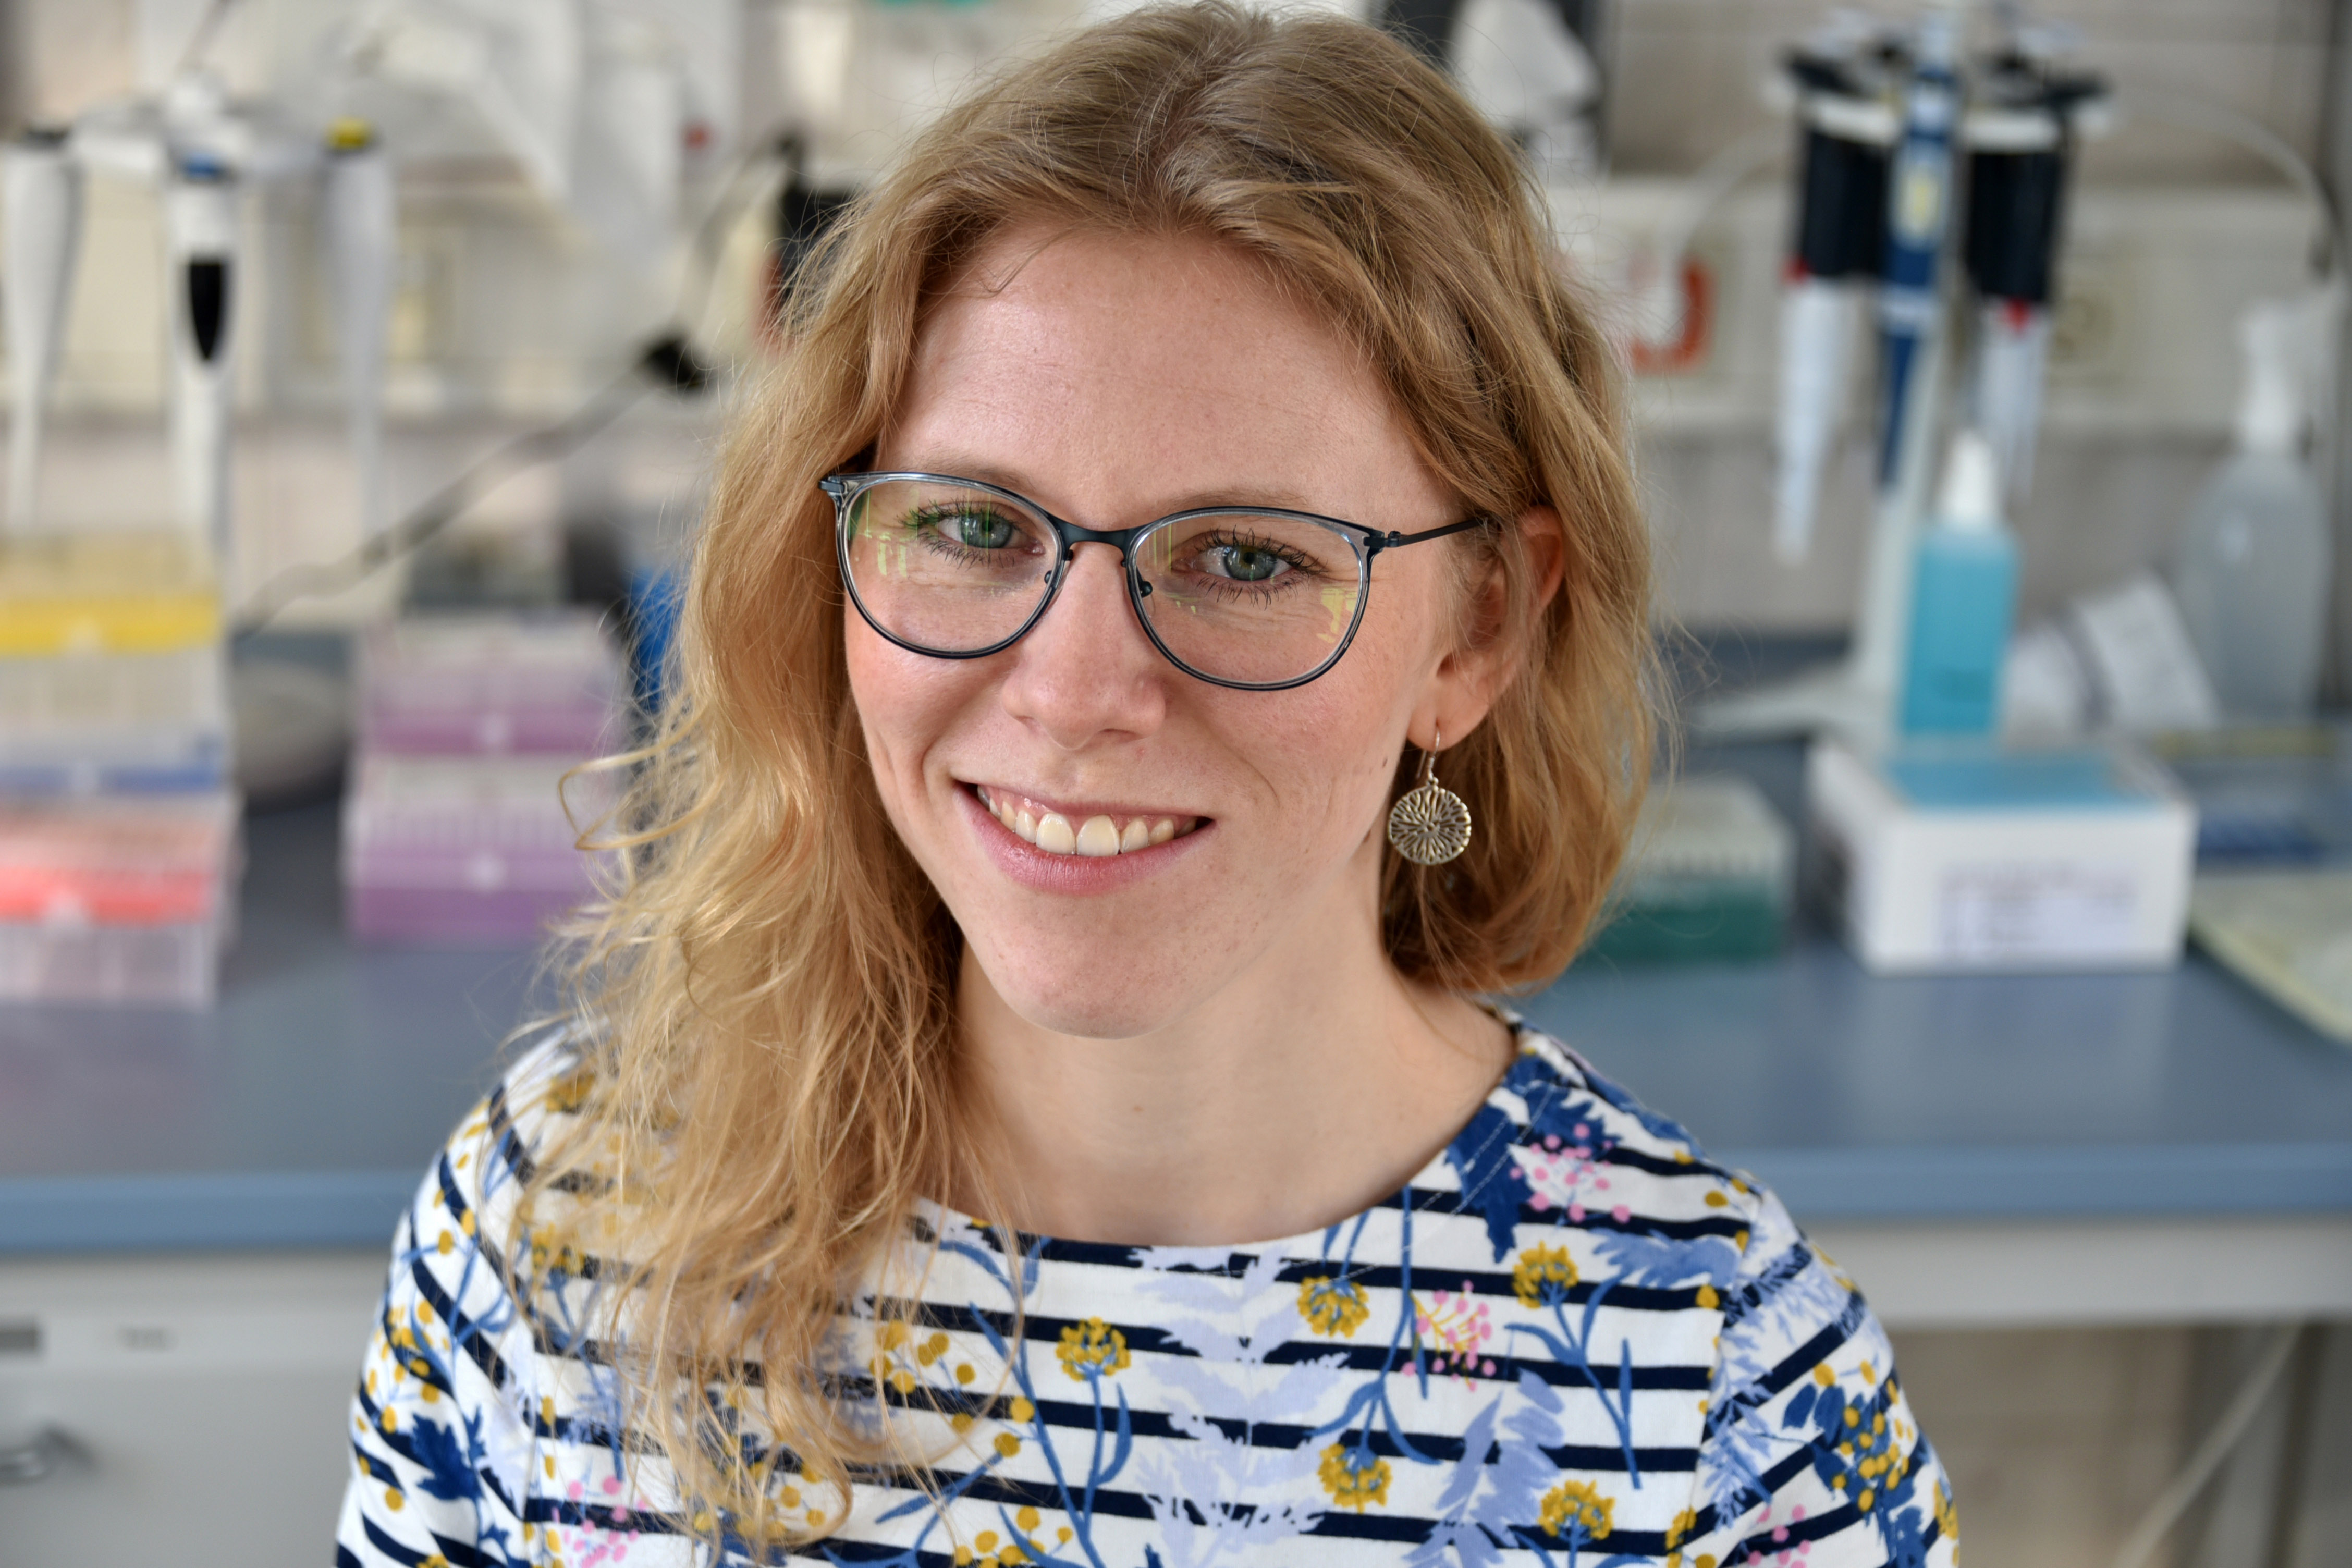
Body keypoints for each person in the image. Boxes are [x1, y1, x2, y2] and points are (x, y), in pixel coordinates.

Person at [337, 6, 1956, 1565]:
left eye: (1244, 557)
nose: (1074, 695)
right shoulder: (551, 1225)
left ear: (1478, 632)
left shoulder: (1729, 1402)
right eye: (973, 527)